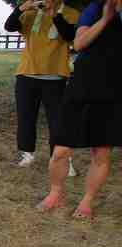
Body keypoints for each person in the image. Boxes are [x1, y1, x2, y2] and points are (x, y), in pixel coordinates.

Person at [37, 0, 122, 219]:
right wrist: (105, 19)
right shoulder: (95, 9)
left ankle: (87, 201)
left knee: (101, 153)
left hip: (114, 91)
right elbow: (80, 43)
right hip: (82, 86)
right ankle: (56, 193)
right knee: (60, 151)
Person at [5, 0, 80, 175]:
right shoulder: (30, 13)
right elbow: (9, 26)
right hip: (26, 74)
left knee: (58, 122)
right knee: (26, 117)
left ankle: (62, 159)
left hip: (55, 76)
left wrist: (54, 15)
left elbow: (70, 36)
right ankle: (27, 154)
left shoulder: (71, 13)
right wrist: (21, 8)